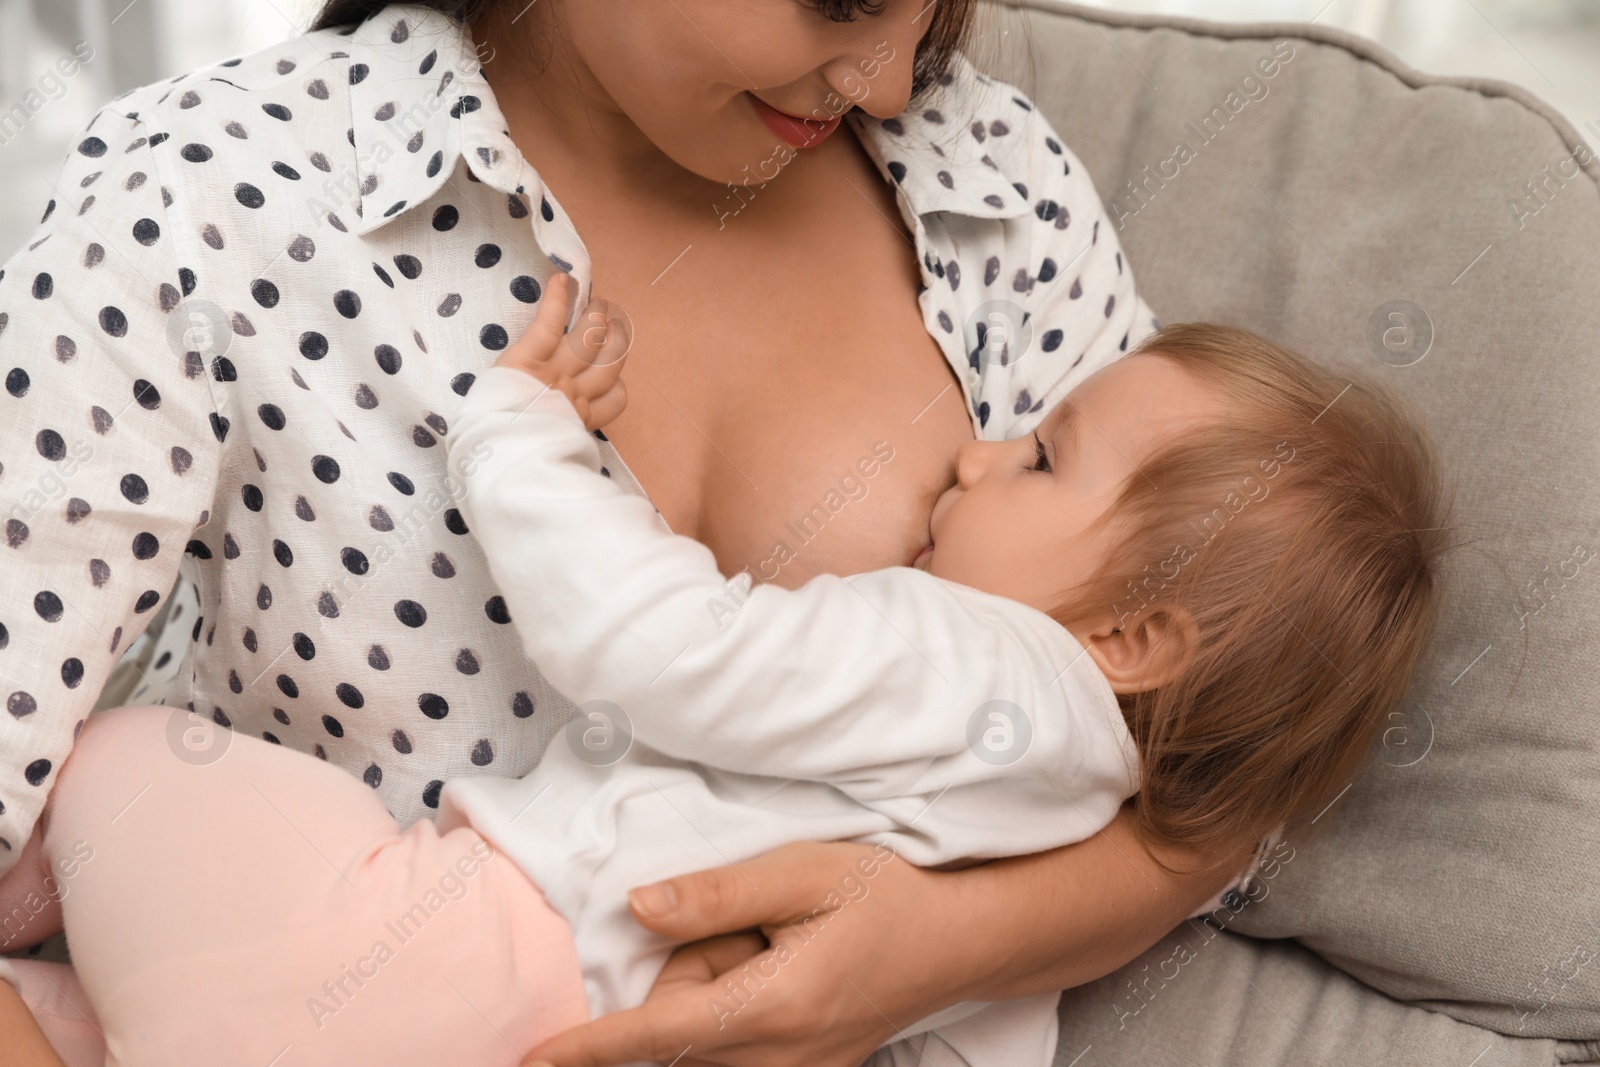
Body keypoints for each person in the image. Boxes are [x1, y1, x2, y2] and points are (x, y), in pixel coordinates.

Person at [0, 1, 1274, 1062]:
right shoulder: (214, 191)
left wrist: (942, 945)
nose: (889, 78)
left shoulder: (989, 185)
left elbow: (1228, 753)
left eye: (929, 4)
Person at [0, 272, 1446, 1067]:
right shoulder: (1067, 819)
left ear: (1129, 638)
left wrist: (525, 436)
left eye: (1045, 455)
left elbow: (664, 646)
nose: (979, 449)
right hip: (571, 1039)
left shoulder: (968, 650)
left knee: (130, 760)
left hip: (449, 953)